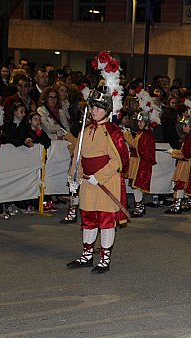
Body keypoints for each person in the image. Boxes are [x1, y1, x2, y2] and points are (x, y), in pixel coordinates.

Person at [65, 89, 129, 273]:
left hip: (106, 182)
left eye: (99, 107)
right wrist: (74, 177)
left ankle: (105, 258)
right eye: (93, 106)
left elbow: (118, 160)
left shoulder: (113, 132)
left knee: (106, 220)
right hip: (87, 182)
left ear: (107, 110)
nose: (94, 110)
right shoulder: (86, 130)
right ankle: (86, 255)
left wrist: (99, 176)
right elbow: (78, 156)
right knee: (88, 219)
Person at [165, 106, 191, 214]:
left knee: (180, 185)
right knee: (183, 185)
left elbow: (185, 154)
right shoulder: (188, 138)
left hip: (186, 165)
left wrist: (173, 152)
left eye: (185, 125)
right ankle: (189, 202)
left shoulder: (190, 138)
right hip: (186, 164)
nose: (183, 127)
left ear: (190, 127)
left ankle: (177, 206)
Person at [124, 110, 157, 217]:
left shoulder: (147, 135)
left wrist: (127, 136)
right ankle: (139, 206)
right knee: (134, 186)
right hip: (136, 162)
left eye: (141, 122)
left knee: (137, 186)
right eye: (138, 122)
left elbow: (138, 147)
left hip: (140, 164)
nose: (139, 124)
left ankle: (139, 207)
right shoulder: (141, 133)